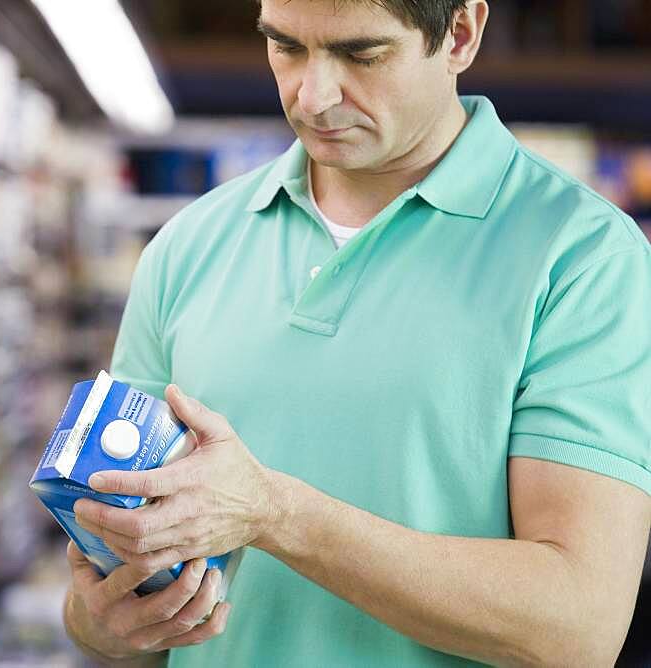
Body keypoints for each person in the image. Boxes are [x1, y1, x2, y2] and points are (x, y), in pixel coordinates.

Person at [61, 0, 651, 665]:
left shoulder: (582, 256)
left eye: (361, 55)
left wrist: (278, 514)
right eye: (285, 47)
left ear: (460, 34)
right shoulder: (187, 245)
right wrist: (102, 622)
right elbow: (95, 594)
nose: (313, 97)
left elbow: (578, 628)